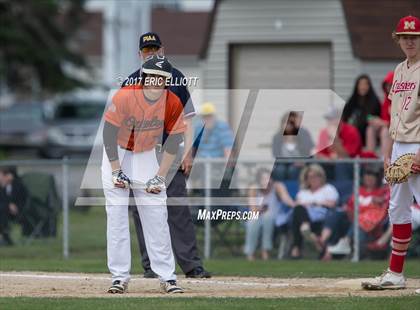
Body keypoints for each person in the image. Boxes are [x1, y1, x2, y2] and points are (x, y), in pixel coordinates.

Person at [122, 32, 210, 279]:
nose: (151, 53)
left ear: (162, 49)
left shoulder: (176, 77)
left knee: (178, 209)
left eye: (154, 48)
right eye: (146, 50)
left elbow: (189, 119)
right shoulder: (131, 82)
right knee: (142, 211)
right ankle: (151, 266)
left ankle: (192, 266)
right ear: (140, 54)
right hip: (140, 155)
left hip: (170, 153)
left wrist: (190, 152)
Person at [102, 56, 184, 294]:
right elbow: (108, 133)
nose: (155, 83)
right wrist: (116, 170)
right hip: (116, 153)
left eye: (161, 79)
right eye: (151, 77)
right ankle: (119, 277)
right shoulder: (126, 95)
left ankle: (167, 277)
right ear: (143, 77)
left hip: (146, 154)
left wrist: (160, 175)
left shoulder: (172, 102)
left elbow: (174, 141)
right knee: (116, 215)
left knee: (156, 213)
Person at [362, 15, 420, 290]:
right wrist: (387, 153)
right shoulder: (398, 70)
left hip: (418, 144)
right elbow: (391, 116)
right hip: (399, 145)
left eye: (415, 36)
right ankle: (395, 274)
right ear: (398, 39)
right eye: (405, 36)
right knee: (397, 209)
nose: (410, 40)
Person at [324, 167, 389, 260]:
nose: (369, 180)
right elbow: (350, 206)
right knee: (338, 216)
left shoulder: (380, 192)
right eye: (367, 178)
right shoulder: (359, 190)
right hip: (355, 219)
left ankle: (349, 246)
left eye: (372, 178)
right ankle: (331, 248)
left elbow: (380, 209)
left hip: (372, 223)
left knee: (360, 223)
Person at [244, 168, 295, 261]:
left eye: (268, 178)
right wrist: (261, 209)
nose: (266, 181)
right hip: (258, 215)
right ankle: (250, 252)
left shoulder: (278, 186)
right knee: (253, 221)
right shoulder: (253, 189)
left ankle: (265, 250)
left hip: (275, 217)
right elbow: (253, 210)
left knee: (268, 217)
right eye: (263, 179)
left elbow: (286, 199)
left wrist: (295, 205)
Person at [289, 164, 339, 259]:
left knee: (298, 214)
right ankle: (307, 230)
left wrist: (314, 202)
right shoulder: (303, 192)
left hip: (322, 217)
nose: (314, 179)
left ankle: (297, 248)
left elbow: (332, 204)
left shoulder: (328, 188)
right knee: (298, 210)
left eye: (316, 176)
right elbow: (297, 205)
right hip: (305, 217)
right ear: (306, 179)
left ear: (321, 176)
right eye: (310, 177)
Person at [316, 106, 362, 179]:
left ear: (340, 119)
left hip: (352, 166)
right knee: (315, 165)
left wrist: (335, 139)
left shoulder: (351, 131)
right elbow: (319, 154)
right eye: (328, 119)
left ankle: (342, 189)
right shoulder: (324, 132)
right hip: (329, 163)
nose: (329, 122)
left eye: (332, 119)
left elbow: (346, 156)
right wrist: (329, 160)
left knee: (341, 164)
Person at [272, 111, 314, 180]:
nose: (289, 125)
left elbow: (309, 151)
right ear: (282, 124)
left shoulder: (304, 135)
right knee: (280, 170)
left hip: (300, 164)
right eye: (286, 122)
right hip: (282, 164)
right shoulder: (277, 137)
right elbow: (276, 154)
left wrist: (303, 161)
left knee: (293, 170)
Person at [342, 74, 381, 146]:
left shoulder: (375, 101)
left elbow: (378, 117)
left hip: (367, 133)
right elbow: (345, 118)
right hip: (353, 133)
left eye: (365, 84)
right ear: (357, 86)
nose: (363, 87)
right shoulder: (352, 101)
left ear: (369, 86)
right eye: (360, 84)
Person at [365, 71, 394, 156]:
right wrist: (376, 121)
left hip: (393, 133)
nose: (389, 87)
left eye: (391, 85)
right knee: (370, 129)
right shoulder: (385, 101)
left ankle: (384, 159)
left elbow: (397, 123)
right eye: (387, 85)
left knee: (385, 131)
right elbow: (383, 118)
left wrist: (382, 123)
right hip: (384, 129)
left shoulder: (398, 102)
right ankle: (370, 157)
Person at [0, 166, 28, 246]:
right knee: (2, 210)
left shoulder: (19, 186)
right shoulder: (2, 187)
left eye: (1, 175)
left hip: (18, 213)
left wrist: (16, 207)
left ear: (9, 176)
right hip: (4, 212)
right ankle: (5, 237)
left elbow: (24, 200)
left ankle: (5, 237)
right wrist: (8, 205)